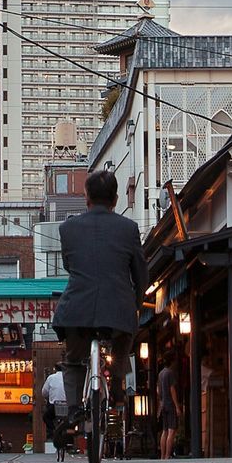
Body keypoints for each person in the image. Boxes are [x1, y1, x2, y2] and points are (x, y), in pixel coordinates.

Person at [52, 168, 148, 443]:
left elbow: (70, 265)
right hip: (118, 308)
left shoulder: (67, 228)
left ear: (86, 198)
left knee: (72, 360)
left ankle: (73, 411)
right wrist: (136, 302)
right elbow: (140, 274)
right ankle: (117, 385)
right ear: (116, 199)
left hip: (77, 309)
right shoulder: (129, 228)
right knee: (120, 349)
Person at [156, 357, 181, 459]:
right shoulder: (170, 373)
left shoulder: (161, 374)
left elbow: (158, 390)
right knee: (171, 431)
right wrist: (177, 406)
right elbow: (172, 389)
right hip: (170, 404)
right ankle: (167, 455)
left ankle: (162, 455)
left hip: (163, 404)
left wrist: (161, 401)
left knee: (164, 431)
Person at [39, 366, 66, 449]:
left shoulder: (51, 378)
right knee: (71, 419)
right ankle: (69, 432)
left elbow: (44, 392)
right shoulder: (68, 377)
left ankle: (53, 431)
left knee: (46, 417)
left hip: (55, 406)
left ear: (55, 369)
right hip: (68, 406)